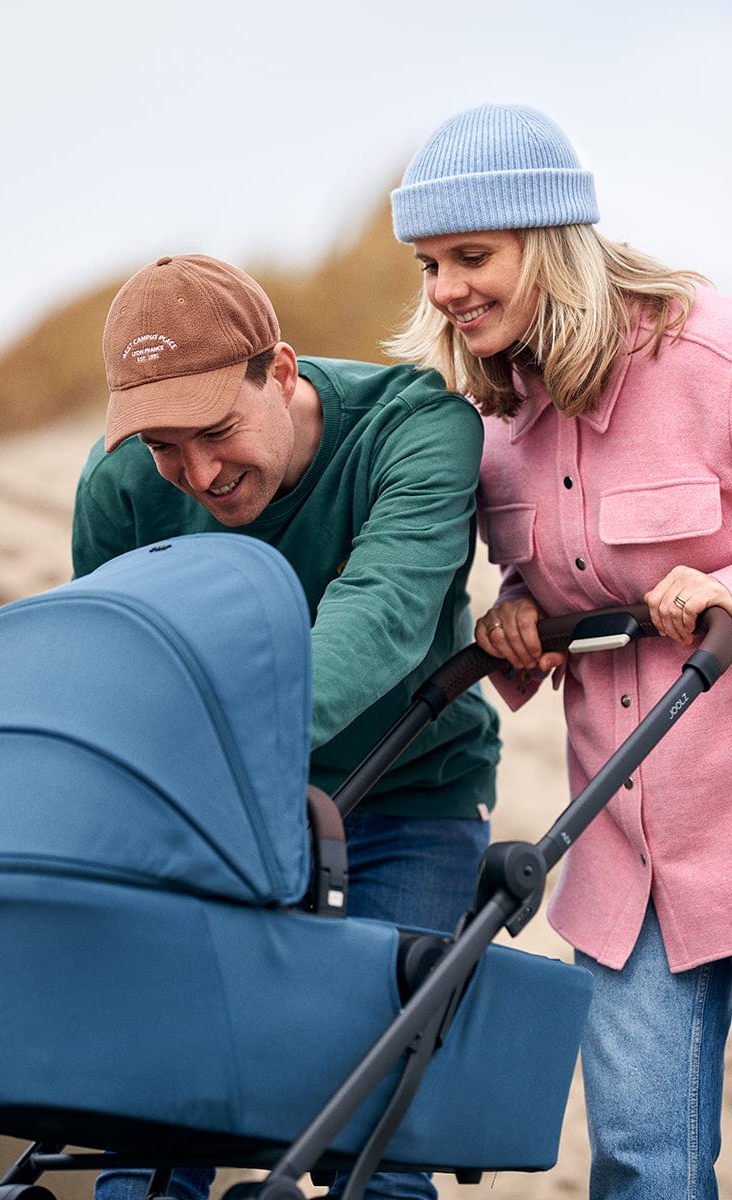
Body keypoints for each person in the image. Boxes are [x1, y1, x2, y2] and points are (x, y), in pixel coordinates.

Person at [71, 253, 500, 1200]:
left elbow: (382, 608)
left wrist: (224, 745)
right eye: (164, 449)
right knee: (150, 1111)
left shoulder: (418, 428)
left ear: (283, 368)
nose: (200, 472)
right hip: (213, 818)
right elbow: (115, 661)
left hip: (405, 791)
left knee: (375, 1128)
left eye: (218, 431)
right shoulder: (120, 488)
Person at [388, 101, 732, 1199]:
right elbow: (543, 606)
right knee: (641, 1167)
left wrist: (723, 585)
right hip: (624, 864)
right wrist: (516, 627)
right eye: (429, 262)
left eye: (471, 256)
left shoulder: (707, 351)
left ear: (552, 243)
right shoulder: (485, 428)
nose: (444, 289)